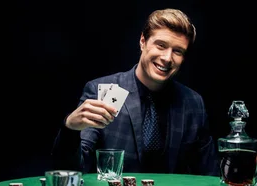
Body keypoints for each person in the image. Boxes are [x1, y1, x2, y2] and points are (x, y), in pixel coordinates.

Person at [51, 8, 218, 176]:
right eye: (161, 45)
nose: (167, 58)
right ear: (143, 41)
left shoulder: (193, 103)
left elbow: (209, 174)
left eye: (177, 51)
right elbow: (73, 170)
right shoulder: (101, 90)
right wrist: (70, 128)